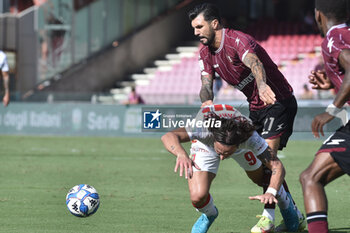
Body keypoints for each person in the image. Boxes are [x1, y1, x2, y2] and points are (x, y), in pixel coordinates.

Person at [188, 4, 299, 230]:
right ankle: (293, 214)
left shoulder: (238, 40)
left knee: (269, 162)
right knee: (261, 167)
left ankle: (268, 218)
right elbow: (205, 85)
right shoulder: (205, 53)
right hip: (255, 108)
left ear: (215, 24)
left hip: (277, 102)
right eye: (193, 28)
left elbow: (254, 63)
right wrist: (206, 101)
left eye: (199, 27)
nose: (196, 32)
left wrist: (262, 85)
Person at [161, 104, 305, 233]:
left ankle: (289, 208)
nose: (223, 158)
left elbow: (277, 166)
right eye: (220, 153)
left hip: (240, 144)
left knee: (264, 179)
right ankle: (210, 214)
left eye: (227, 153)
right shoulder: (201, 128)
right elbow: (168, 136)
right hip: (206, 146)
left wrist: (271, 191)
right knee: (198, 197)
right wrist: (181, 154)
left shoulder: (250, 138)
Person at [300, 1, 350, 233]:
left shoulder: (333, 38)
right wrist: (334, 82)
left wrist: (331, 110)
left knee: (311, 178)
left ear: (318, 14)